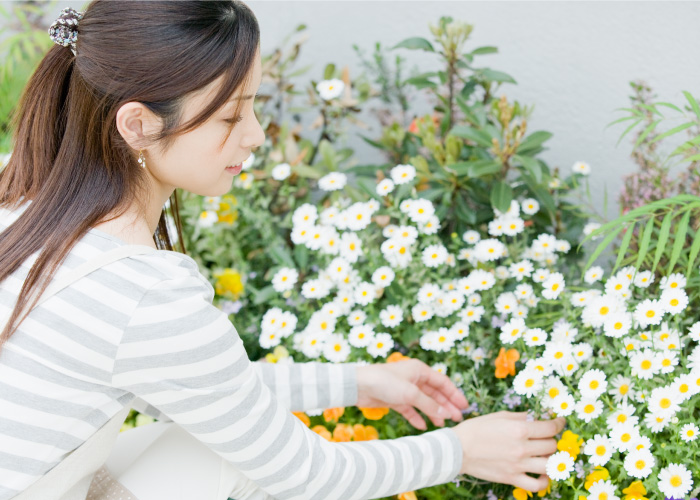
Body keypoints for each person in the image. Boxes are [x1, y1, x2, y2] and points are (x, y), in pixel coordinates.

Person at [0, 1, 565, 499]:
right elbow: (304, 474)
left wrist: (359, 381)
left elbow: (203, 388)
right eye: (230, 114)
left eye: (253, 104)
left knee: (203, 441)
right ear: (139, 125)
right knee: (239, 466)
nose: (256, 134)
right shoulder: (144, 294)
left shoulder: (19, 195)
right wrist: (461, 451)